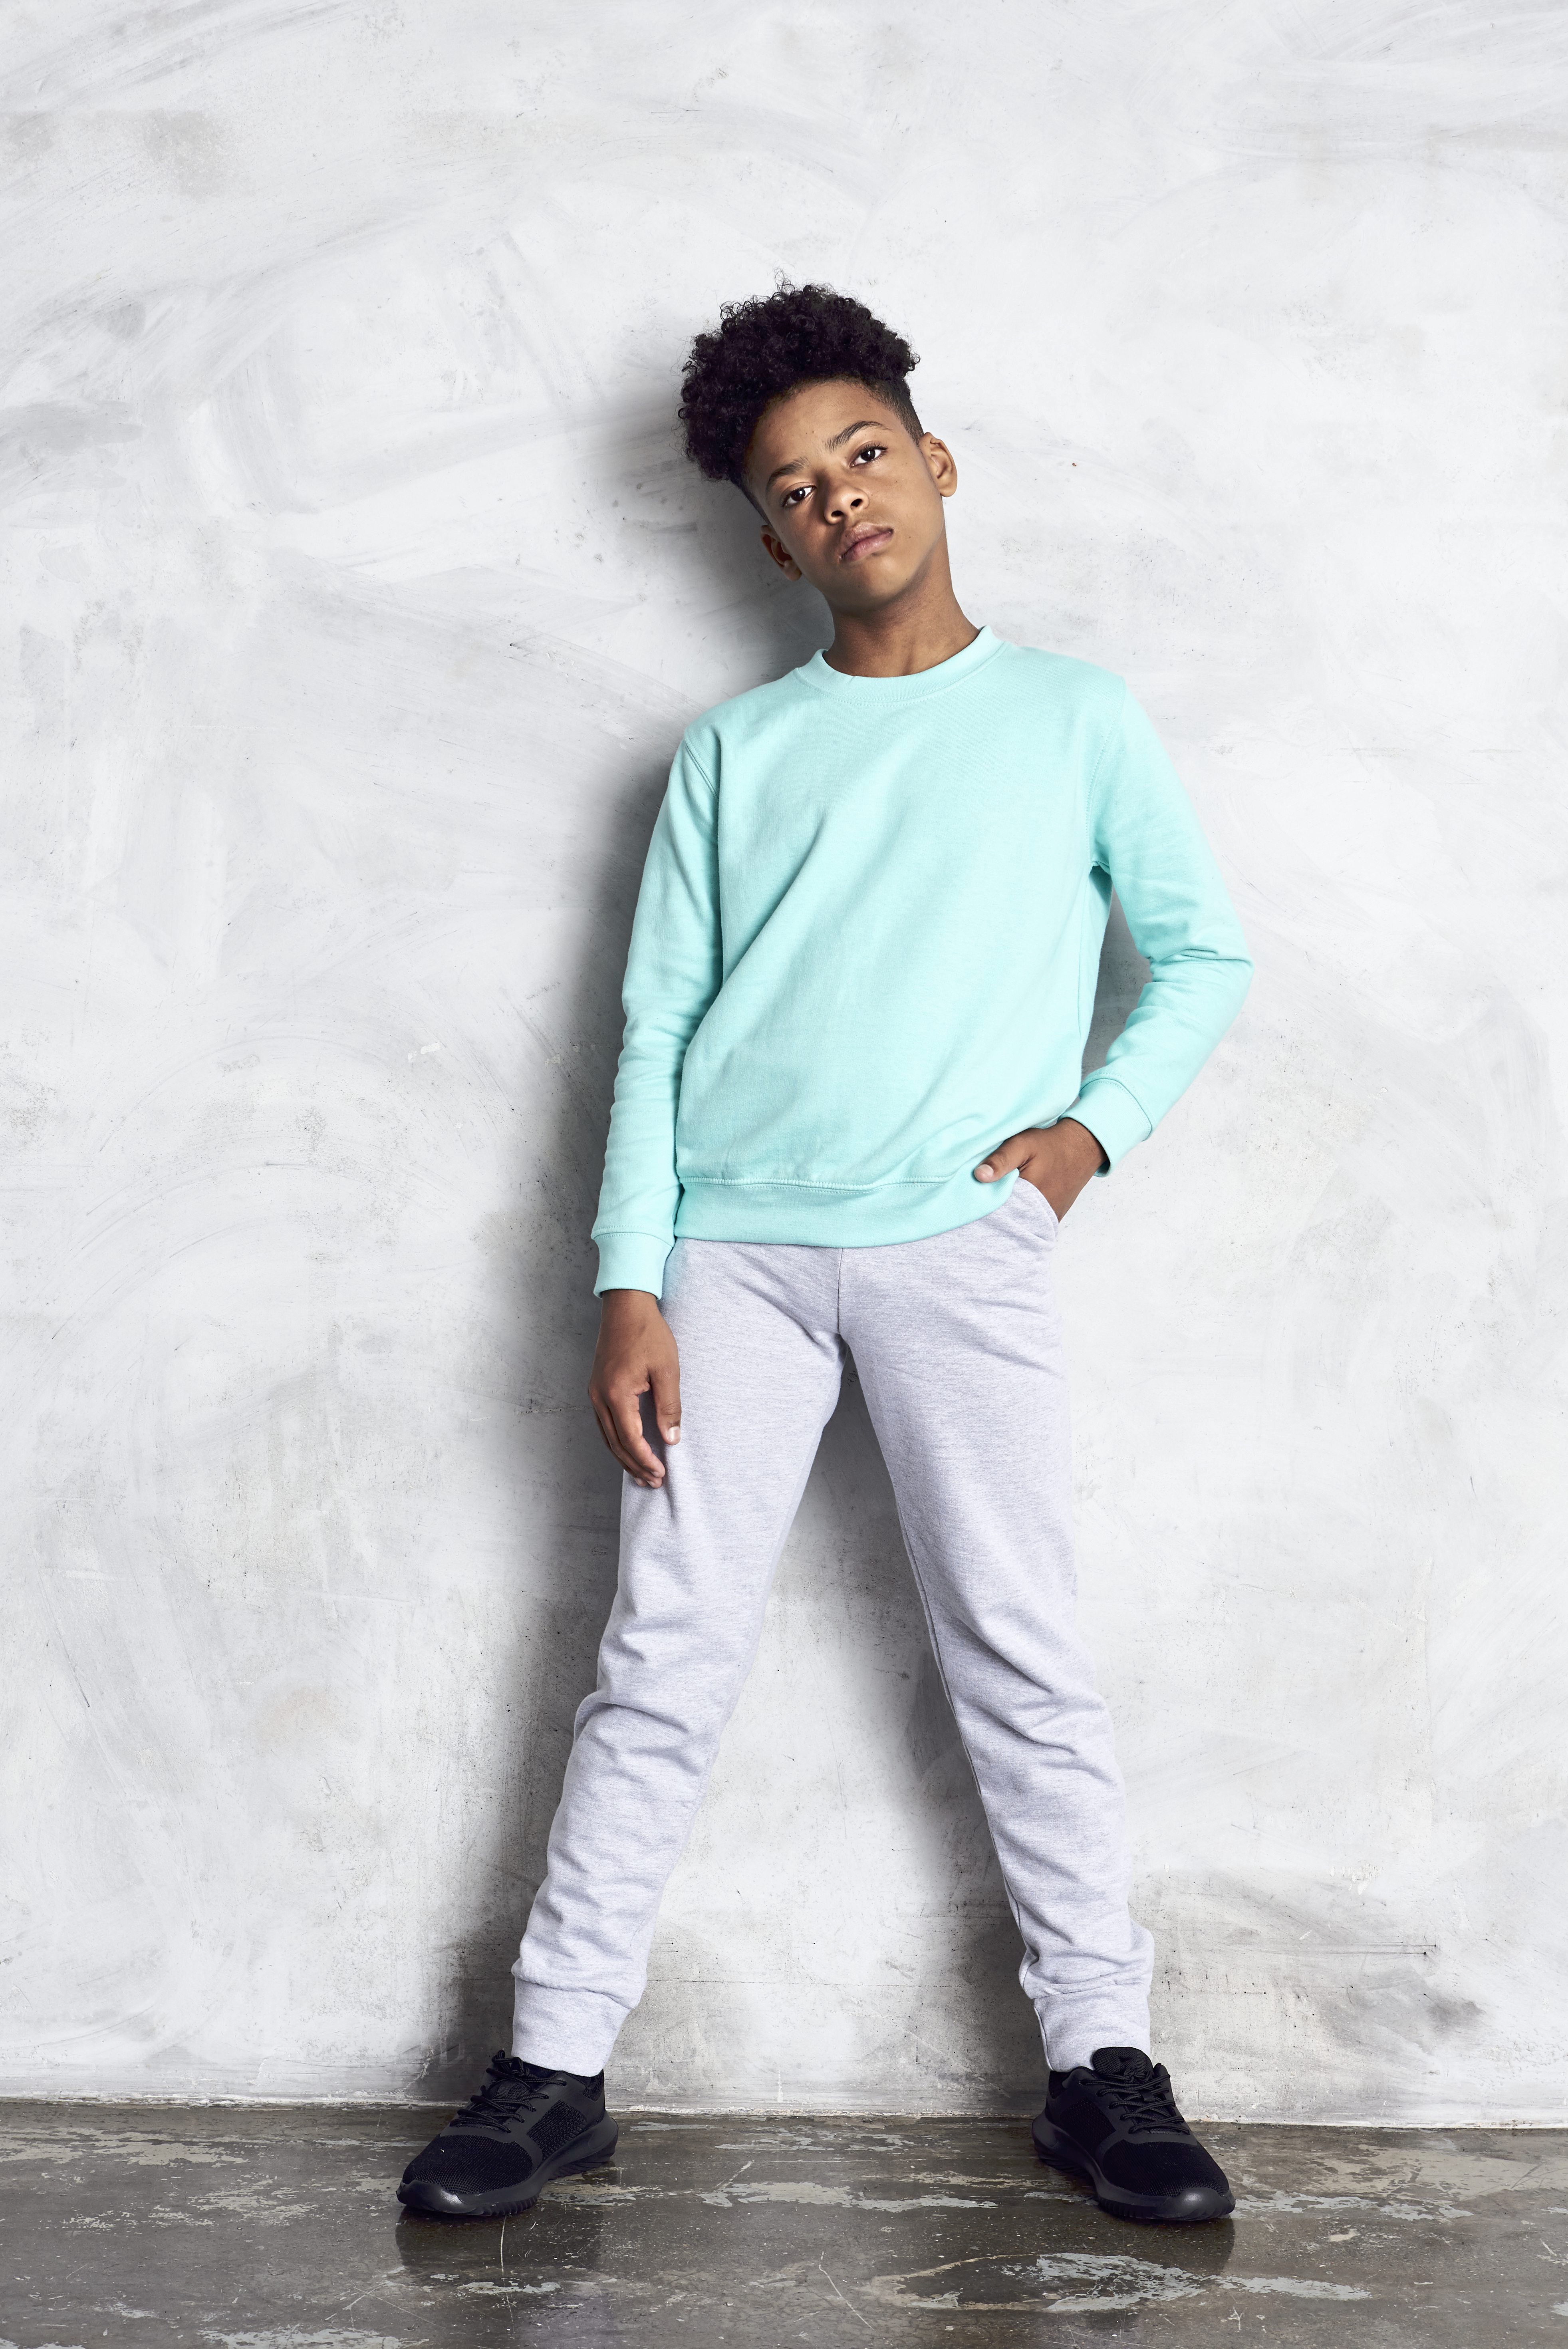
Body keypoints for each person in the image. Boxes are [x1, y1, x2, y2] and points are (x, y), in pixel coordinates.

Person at [398, 285, 1252, 2228]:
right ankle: (552, 2069)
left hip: (962, 1241)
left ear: (933, 464)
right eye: (793, 488)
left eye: (863, 454)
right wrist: (632, 1279)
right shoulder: (734, 753)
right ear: (772, 542)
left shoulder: (1072, 717)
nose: (838, 495)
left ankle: (1101, 2066)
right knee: (661, 1658)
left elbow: (1204, 952)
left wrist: (1083, 1139)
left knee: (1020, 1650)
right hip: (735, 1259)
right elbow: (659, 1029)